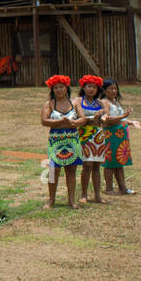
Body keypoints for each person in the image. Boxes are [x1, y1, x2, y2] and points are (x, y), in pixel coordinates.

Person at [42, 75, 85, 209]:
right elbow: (44, 121)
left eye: (61, 87)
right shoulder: (49, 104)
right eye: (56, 87)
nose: (59, 90)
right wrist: (60, 122)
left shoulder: (75, 103)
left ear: (67, 88)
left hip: (72, 139)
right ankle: (51, 199)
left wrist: (73, 122)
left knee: (71, 170)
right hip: (56, 141)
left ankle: (71, 200)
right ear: (52, 89)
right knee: (53, 170)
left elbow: (83, 119)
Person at [101, 79, 141, 194]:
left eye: (115, 88)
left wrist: (132, 122)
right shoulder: (104, 102)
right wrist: (123, 115)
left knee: (119, 162)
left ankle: (122, 188)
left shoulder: (114, 101)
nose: (114, 91)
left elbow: (121, 118)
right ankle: (109, 188)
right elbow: (107, 119)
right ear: (104, 90)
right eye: (111, 89)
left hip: (120, 135)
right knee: (110, 163)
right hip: (111, 135)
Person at [77, 75, 108, 204]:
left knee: (96, 166)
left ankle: (97, 195)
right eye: (89, 86)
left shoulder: (100, 102)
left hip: (98, 134)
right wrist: (92, 118)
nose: (91, 89)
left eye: (94, 87)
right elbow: (80, 117)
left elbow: (106, 116)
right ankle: (84, 195)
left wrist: (102, 115)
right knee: (87, 165)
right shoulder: (79, 101)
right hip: (84, 133)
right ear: (83, 87)